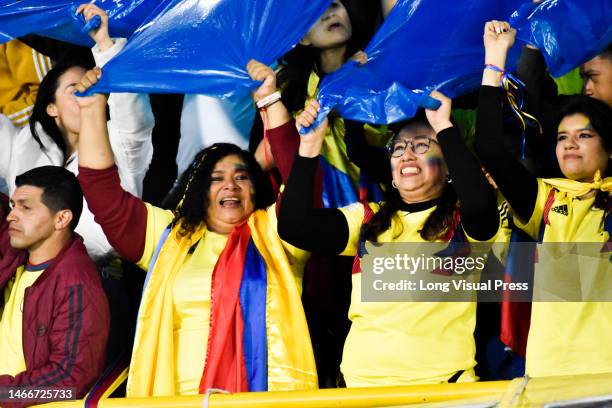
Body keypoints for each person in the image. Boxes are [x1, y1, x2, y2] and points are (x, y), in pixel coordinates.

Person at [74, 63, 317, 397]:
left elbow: (304, 187)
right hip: (176, 401)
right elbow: (103, 195)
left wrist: (269, 100)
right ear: (199, 191)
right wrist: (91, 111)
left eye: (242, 176)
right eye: (215, 179)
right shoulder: (170, 236)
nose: (230, 185)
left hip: (262, 400)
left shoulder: (278, 232)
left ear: (256, 187)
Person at [277, 87, 501, 386]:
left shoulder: (466, 222)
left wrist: (444, 127)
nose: (407, 154)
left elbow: (480, 200)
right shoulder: (368, 219)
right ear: (392, 175)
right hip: (361, 389)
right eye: (398, 148)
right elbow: (294, 226)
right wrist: (309, 145)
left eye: (423, 145)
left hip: (443, 389)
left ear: (450, 168)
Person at [475, 20, 612, 378]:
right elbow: (490, 147)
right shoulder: (545, 198)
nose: (570, 143)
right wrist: (495, 58)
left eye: (584, 135)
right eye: (562, 136)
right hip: (551, 375)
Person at [0, 3, 154, 260]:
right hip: (28, 274)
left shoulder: (120, 143)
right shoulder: (27, 144)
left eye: (92, 88)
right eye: (75, 90)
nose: (86, 95)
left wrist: (104, 43)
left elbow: (131, 107)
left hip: (98, 275)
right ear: (51, 108)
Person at [0, 166, 109, 406]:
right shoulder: (13, 254)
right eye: (12, 206)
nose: (12, 216)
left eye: (25, 207)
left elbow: (71, 381)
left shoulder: (77, 284)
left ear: (61, 218)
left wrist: (3, 394)